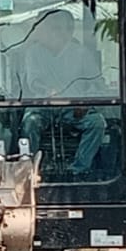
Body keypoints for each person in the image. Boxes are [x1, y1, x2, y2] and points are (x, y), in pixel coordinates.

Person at [17, 9, 108, 175]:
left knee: (97, 123)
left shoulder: (82, 54)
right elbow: (34, 82)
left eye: (57, 28)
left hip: (74, 109)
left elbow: (98, 84)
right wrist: (48, 91)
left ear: (68, 30)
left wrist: (84, 103)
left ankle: (79, 169)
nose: (52, 33)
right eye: (49, 28)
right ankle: (31, 170)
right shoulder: (34, 53)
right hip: (43, 107)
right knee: (29, 122)